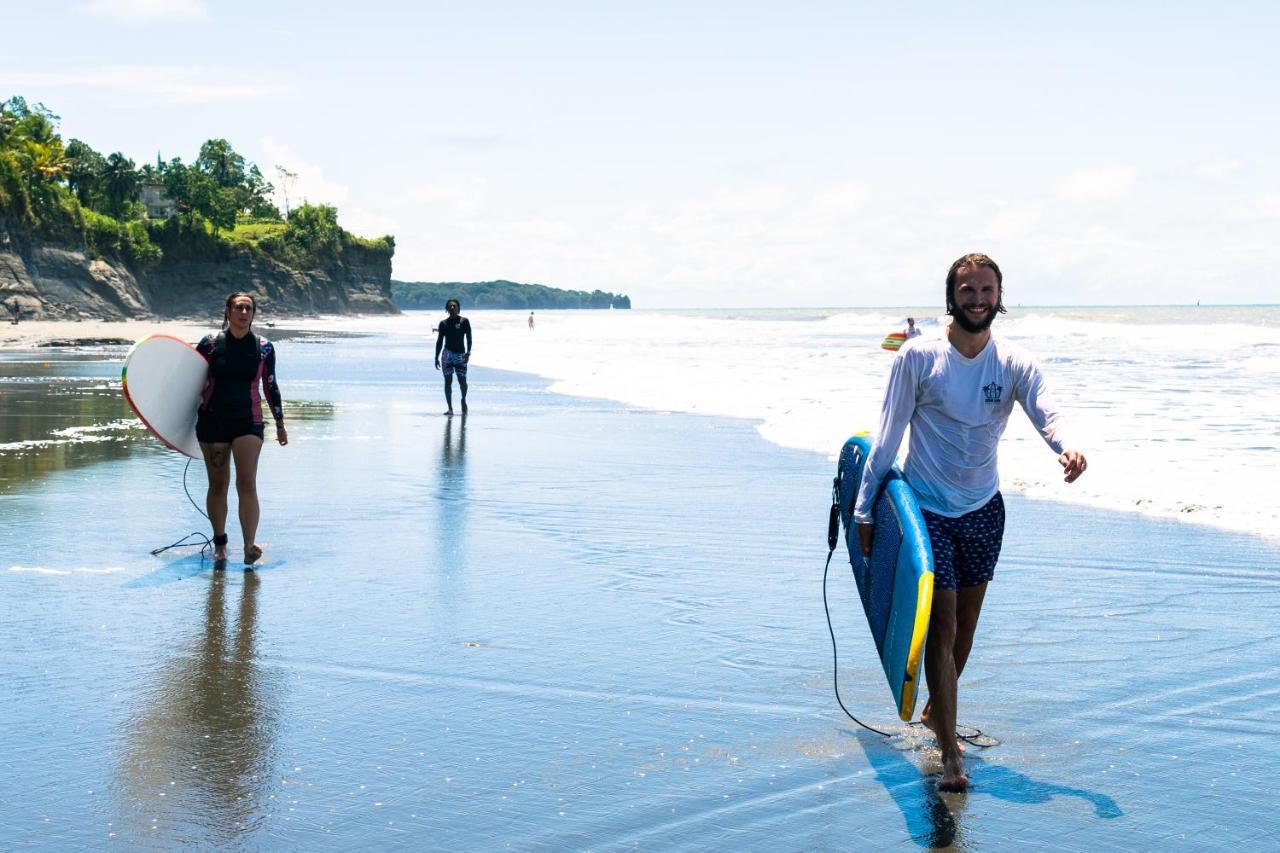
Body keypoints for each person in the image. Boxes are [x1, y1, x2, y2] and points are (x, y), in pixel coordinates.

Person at [853, 253, 1086, 792]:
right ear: (951, 296)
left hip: (984, 508)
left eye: (986, 289)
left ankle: (939, 713)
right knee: (945, 622)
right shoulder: (918, 358)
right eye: (967, 289)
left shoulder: (1014, 363)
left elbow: (1046, 411)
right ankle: (949, 756)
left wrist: (1067, 447)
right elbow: (887, 435)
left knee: (967, 628)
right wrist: (866, 508)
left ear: (999, 297)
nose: (977, 298)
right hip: (927, 508)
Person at [195, 292, 288, 566]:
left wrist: (280, 425)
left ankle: (249, 544)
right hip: (213, 421)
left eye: (248, 308)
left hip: (249, 420)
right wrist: (171, 427)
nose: (244, 312)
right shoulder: (210, 344)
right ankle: (220, 542)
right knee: (218, 483)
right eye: (238, 307)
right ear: (227, 311)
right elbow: (187, 382)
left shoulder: (264, 347)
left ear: (253, 313)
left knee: (247, 482)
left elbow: (270, 386)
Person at [434, 298, 473, 416]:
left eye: (454, 306)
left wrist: (468, 353)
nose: (452, 308)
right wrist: (436, 357)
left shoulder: (464, 321)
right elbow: (439, 341)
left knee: (463, 382)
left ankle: (463, 400)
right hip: (447, 355)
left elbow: (469, 338)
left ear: (458, 308)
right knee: (448, 382)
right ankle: (450, 408)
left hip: (461, 355)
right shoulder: (443, 323)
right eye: (450, 306)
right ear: (446, 309)